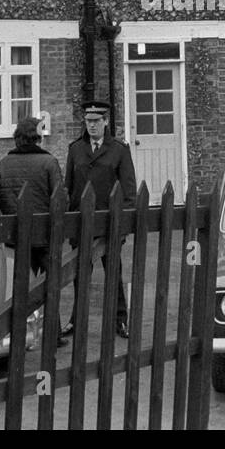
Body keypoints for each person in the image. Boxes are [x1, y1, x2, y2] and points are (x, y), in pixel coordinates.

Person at [64, 99, 137, 338]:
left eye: (96, 121)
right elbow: (69, 186)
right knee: (80, 274)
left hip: (109, 223)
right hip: (82, 223)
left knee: (113, 272)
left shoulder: (118, 149)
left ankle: (120, 320)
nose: (92, 126)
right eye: (88, 121)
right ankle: (77, 320)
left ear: (105, 122)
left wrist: (124, 226)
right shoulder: (75, 149)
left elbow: (128, 189)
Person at [0, 116, 66, 345]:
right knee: (50, 287)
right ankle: (53, 334)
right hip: (44, 235)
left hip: (15, 237)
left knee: (17, 288)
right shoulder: (49, 163)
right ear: (37, 138)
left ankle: (16, 334)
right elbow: (60, 198)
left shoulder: (5, 163)